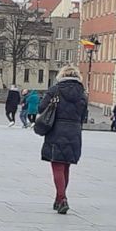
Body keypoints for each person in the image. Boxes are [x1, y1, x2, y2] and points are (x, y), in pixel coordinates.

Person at [38, 66, 88, 215]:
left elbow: (41, 108)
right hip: (74, 132)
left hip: (57, 130)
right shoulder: (82, 93)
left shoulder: (55, 89)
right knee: (66, 167)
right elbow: (83, 114)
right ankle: (58, 199)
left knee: (57, 166)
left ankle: (62, 198)